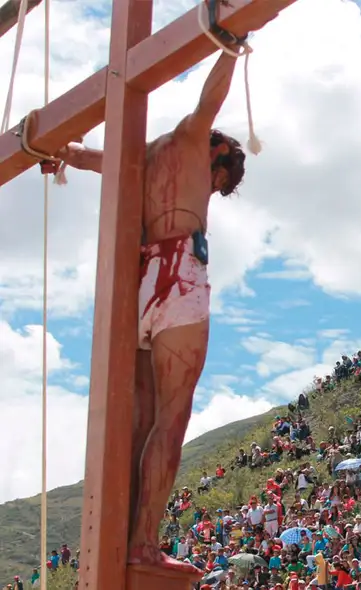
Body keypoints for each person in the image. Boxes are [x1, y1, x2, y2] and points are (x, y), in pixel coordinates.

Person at [53, 14, 270, 574]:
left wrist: (62, 152)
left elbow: (93, 160)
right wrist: (232, 44)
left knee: (138, 418)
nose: (214, 189)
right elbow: (210, 102)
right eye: (220, 182)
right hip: (180, 275)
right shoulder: (196, 138)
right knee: (171, 419)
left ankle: (124, 538)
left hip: (138, 281)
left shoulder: (142, 153)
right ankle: (143, 544)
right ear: (218, 158)